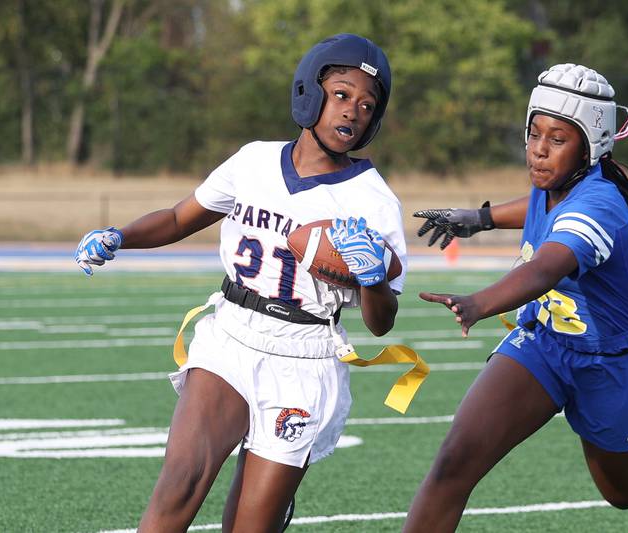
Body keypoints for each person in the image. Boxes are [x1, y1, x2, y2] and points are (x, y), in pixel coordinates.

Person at [74, 33, 407, 533]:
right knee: (179, 482)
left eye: (366, 104)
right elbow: (178, 218)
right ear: (310, 93)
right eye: (341, 94)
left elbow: (381, 324)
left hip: (305, 355)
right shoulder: (252, 160)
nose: (352, 112)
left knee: (250, 526)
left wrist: (373, 277)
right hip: (231, 334)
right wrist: (119, 236)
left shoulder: (375, 201)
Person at [404, 63, 628, 531]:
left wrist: (481, 302)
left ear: (591, 144)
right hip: (543, 343)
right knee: (453, 463)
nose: (538, 150)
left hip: (611, 361)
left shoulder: (600, 202)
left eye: (556, 139)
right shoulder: (556, 183)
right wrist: (478, 218)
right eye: (534, 133)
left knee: (627, 492)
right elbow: (536, 205)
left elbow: (546, 267)